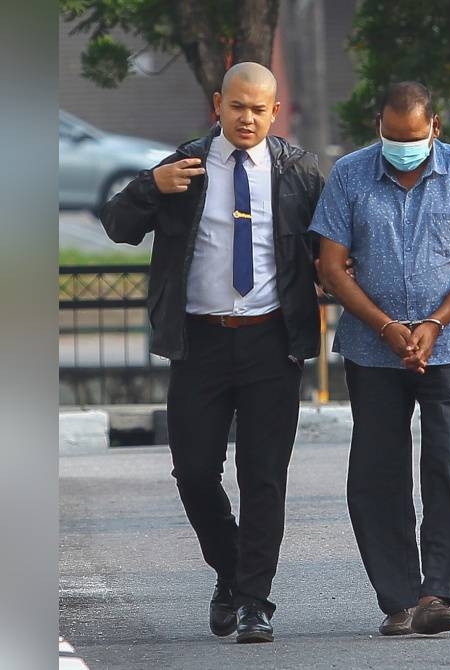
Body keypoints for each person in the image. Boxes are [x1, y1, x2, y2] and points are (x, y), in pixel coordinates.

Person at [100, 62, 326, 643]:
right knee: (195, 472)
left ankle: (254, 602)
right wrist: (153, 185)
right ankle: (230, 573)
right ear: (218, 106)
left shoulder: (299, 172)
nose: (247, 118)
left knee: (264, 477)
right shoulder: (185, 166)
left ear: (274, 113)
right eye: (237, 107)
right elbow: (118, 226)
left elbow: (329, 248)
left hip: (271, 341)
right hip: (199, 341)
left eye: (259, 109)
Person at [310, 81, 450, 637]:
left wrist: (434, 322)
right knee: (377, 470)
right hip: (374, 349)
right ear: (379, 127)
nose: (403, 146)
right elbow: (330, 264)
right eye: (393, 137)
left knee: (448, 463)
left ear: (435, 128)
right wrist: (387, 326)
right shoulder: (350, 174)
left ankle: (436, 593)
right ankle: (397, 598)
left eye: (414, 137)